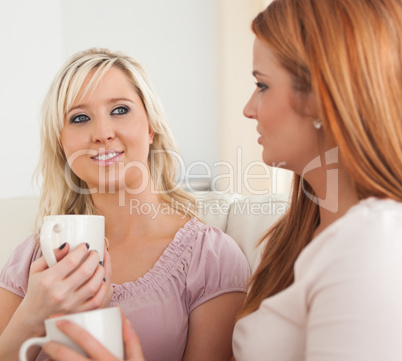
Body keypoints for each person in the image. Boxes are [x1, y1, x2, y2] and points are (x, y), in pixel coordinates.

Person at [41, 0, 402, 360]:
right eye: (79, 118)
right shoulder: (298, 235)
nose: (248, 108)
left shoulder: (371, 242)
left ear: (325, 96)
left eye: (262, 85)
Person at [0, 48, 250, 361]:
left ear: (150, 127)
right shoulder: (33, 260)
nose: (103, 133)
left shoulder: (210, 259)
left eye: (119, 110)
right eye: (80, 118)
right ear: (61, 144)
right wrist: (32, 316)